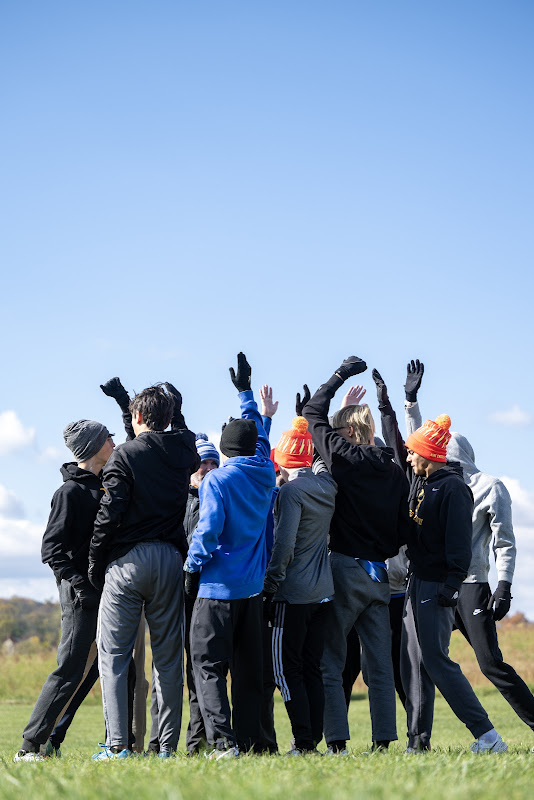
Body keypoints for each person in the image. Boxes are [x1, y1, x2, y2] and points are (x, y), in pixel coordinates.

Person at [405, 391, 534, 739]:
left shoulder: (491, 487)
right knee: (427, 659)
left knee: (490, 664)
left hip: (472, 586)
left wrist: (504, 585)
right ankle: (421, 739)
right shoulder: (433, 482)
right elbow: (417, 443)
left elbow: (504, 541)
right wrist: (411, 403)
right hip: (436, 582)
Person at [303, 356, 411, 755]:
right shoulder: (395, 470)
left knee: (332, 662)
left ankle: (337, 743)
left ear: (346, 430)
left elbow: (312, 410)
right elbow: (403, 529)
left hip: (343, 566)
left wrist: (339, 374)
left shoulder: (342, 458)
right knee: (380, 666)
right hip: (380, 575)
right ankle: (383, 742)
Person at [89, 382, 198, 760]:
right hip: (171, 559)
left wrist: (94, 560)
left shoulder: (124, 456)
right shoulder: (185, 450)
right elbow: (182, 435)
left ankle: (118, 744)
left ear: (136, 417)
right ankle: (166, 747)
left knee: (114, 656)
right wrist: (176, 409)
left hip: (128, 563)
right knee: (168, 659)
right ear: (169, 418)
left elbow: (109, 513)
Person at [184, 353, 276, 759]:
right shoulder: (264, 471)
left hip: (216, 588)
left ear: (223, 449)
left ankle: (223, 744)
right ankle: (253, 740)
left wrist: (191, 565)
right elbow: (257, 433)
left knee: (208, 668)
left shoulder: (217, 479)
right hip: (252, 591)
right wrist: (245, 394)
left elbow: (209, 529)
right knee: (250, 674)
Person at [14, 421, 115, 761]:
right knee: (69, 668)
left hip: (107, 593)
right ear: (93, 445)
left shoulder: (105, 486)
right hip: (79, 595)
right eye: (107, 437)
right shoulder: (70, 493)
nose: (112, 441)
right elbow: (51, 550)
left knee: (107, 667)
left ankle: (111, 744)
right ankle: (29, 747)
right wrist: (79, 585)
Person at [264, 410, 337, 755]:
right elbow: (319, 463)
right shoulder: (327, 485)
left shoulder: (291, 493)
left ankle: (304, 741)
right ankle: (312, 738)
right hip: (323, 594)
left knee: (285, 669)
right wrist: (309, 424)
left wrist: (271, 586)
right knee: (312, 668)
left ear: (282, 460)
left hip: (292, 594)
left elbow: (284, 545)